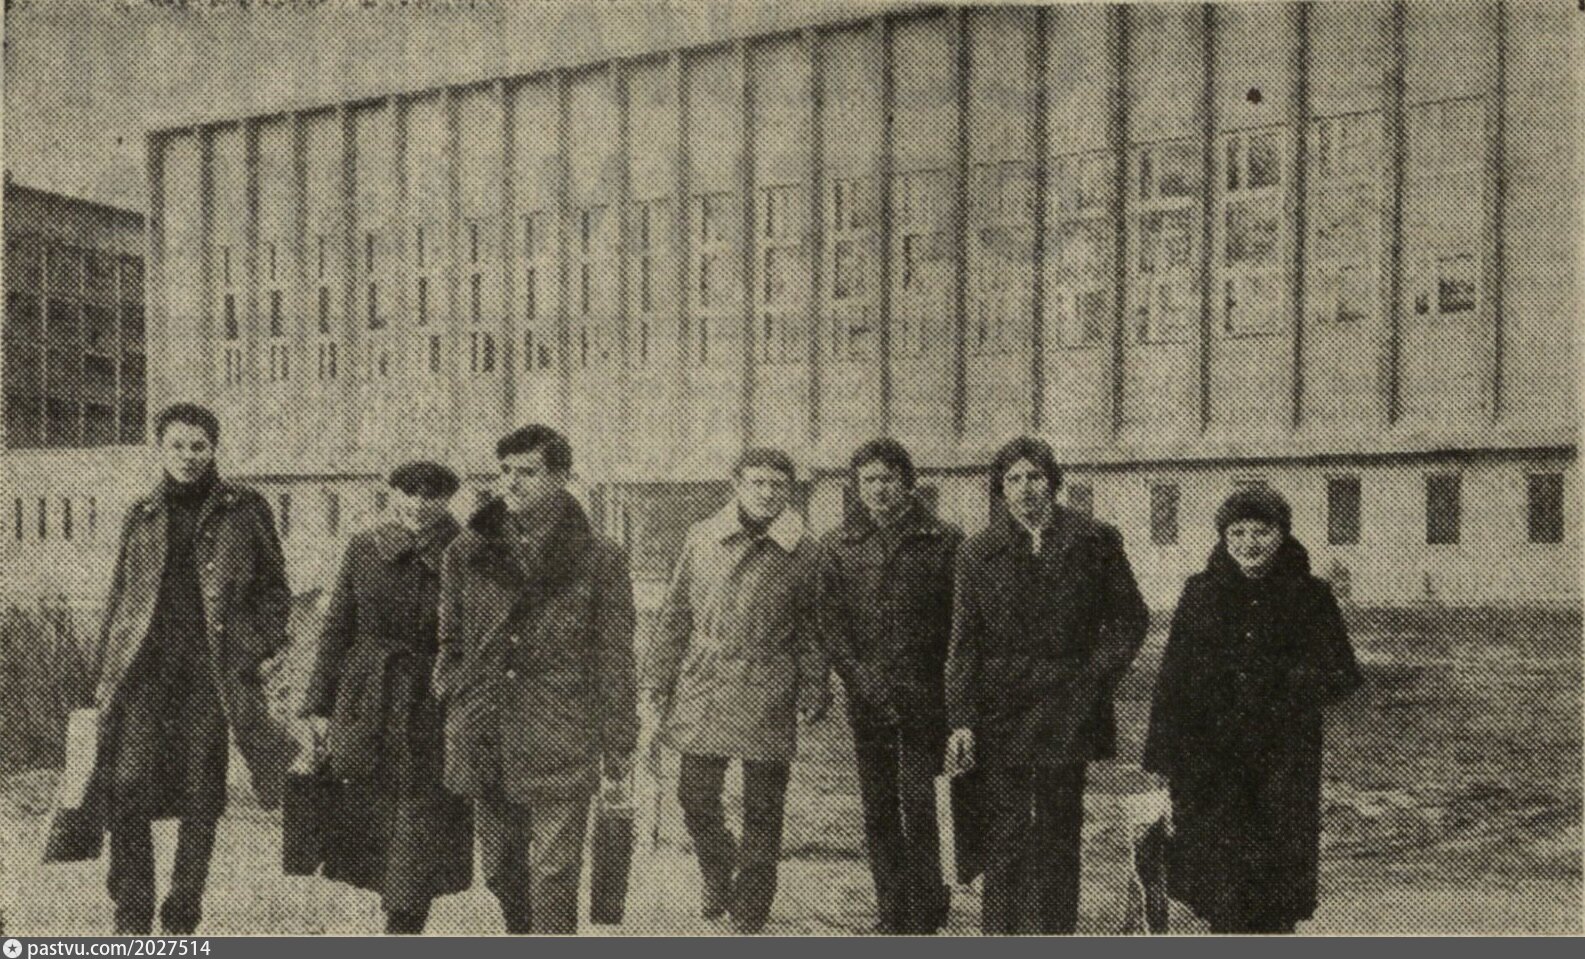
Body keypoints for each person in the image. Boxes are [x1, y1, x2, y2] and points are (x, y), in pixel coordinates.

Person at [87, 403, 297, 935]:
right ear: (160, 449)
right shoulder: (141, 513)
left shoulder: (244, 509)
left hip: (211, 676)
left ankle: (183, 913)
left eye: (198, 446)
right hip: (143, 673)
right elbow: (119, 595)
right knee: (127, 785)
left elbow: (276, 591)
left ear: (214, 449)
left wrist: (252, 647)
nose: (187, 456)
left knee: (203, 793)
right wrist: (104, 673)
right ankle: (132, 914)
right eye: (177, 446)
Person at [431, 425, 637, 934]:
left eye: (528, 472)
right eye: (505, 471)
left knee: (554, 871)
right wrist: (453, 687)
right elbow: (450, 636)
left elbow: (615, 655)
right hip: (486, 730)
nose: (512, 482)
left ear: (561, 477)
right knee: (501, 868)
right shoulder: (467, 550)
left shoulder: (600, 557)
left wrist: (619, 739)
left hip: (561, 729)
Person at [943, 436, 1149, 934]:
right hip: (1000, 710)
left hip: (1068, 706)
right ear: (1000, 489)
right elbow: (964, 642)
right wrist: (961, 720)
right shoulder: (977, 552)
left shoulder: (1095, 541)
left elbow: (1130, 619)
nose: (1025, 488)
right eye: (1013, 479)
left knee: (1060, 829)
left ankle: (1057, 934)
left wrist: (1094, 678)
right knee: (1004, 832)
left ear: (1054, 481)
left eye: (1034, 476)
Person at [1141, 486, 1362, 934]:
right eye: (1237, 533)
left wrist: (1289, 690)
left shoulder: (1310, 595)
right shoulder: (1200, 593)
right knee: (1220, 885)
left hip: (1283, 762)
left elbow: (1342, 673)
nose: (1249, 543)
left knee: (1275, 888)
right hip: (1211, 762)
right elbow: (1172, 681)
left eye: (1261, 531)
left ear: (1281, 534)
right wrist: (1162, 759)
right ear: (1224, 537)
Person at [644, 447, 830, 934]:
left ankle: (752, 902)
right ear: (737, 485)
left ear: (789, 491)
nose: (767, 493)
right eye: (757, 483)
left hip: (768, 679)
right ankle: (718, 869)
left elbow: (813, 628)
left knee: (763, 805)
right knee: (694, 795)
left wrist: (814, 684)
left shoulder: (805, 551)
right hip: (706, 680)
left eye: (777, 485)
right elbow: (676, 614)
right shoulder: (702, 537)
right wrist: (658, 679)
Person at [299, 462, 473, 934]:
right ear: (391, 493)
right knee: (373, 817)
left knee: (420, 819)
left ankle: (402, 926)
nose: (418, 504)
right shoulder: (363, 547)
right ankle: (396, 915)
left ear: (447, 500)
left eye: (432, 495)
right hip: (367, 699)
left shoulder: (467, 552)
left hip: (433, 704)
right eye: (408, 492)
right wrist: (318, 704)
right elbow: (337, 627)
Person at [817, 439, 961, 934]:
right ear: (857, 487)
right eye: (869, 480)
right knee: (878, 808)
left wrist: (943, 686)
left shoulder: (943, 540)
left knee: (921, 806)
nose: (879, 489)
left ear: (908, 482)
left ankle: (926, 909)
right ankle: (892, 910)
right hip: (867, 700)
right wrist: (863, 682)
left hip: (926, 698)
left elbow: (959, 624)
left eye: (888, 479)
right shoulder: (837, 545)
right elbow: (831, 627)